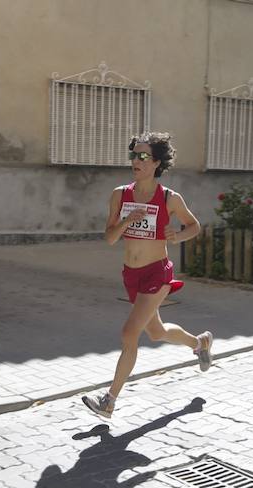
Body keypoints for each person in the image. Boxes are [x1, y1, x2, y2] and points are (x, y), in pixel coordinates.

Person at [82, 132, 213, 420]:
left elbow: (194, 226)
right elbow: (110, 238)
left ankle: (109, 401)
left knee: (129, 333)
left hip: (157, 273)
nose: (136, 160)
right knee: (157, 332)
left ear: (156, 162)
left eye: (143, 156)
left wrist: (177, 235)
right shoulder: (120, 194)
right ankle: (199, 343)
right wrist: (127, 221)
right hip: (131, 275)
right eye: (134, 155)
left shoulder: (169, 198)